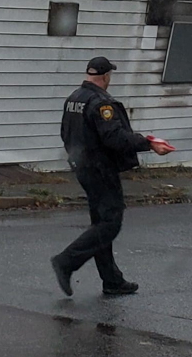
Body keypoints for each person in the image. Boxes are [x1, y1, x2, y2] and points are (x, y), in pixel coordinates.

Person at [50, 56, 172, 297]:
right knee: (110, 224)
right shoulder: (101, 103)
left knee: (100, 224)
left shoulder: (74, 99)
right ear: (105, 77)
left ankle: (112, 280)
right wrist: (148, 143)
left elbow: (65, 133)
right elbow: (115, 138)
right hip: (100, 170)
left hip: (83, 167)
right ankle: (66, 261)